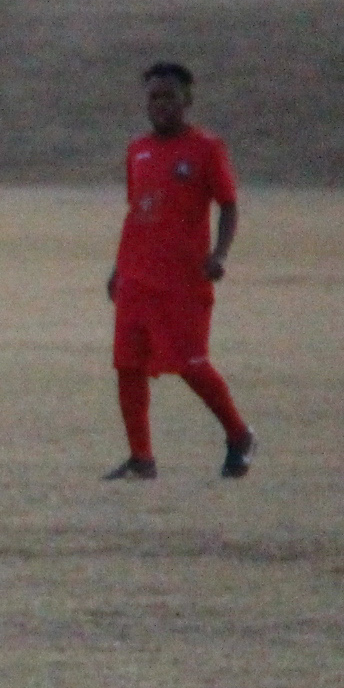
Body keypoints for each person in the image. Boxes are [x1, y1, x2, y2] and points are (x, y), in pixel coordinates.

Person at [105, 60, 255, 482]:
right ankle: (141, 459)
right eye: (153, 97)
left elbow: (228, 205)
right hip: (137, 278)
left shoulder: (207, 148)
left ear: (187, 99)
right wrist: (119, 267)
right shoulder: (137, 150)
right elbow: (139, 212)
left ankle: (239, 435)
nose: (161, 104)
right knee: (128, 365)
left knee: (191, 364)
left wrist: (219, 254)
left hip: (183, 282)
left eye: (169, 96)